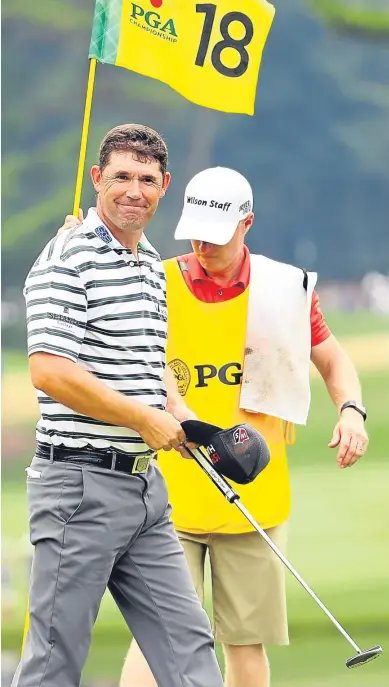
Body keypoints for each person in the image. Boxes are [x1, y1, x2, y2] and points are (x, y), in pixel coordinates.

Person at [61, 166, 369, 687]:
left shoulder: (286, 288)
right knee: (157, 635)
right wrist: (75, 250)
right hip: (164, 493)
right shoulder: (152, 280)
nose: (203, 243)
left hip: (254, 492)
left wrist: (352, 412)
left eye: (217, 234)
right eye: (195, 231)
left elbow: (334, 361)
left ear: (247, 222)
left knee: (245, 643)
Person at [12, 125, 224, 687]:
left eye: (147, 180)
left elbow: (146, 363)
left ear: (165, 186)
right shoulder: (67, 256)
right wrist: (142, 418)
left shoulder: (149, 263)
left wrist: (183, 418)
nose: (135, 190)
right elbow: (50, 370)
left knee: (189, 646)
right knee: (56, 661)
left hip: (144, 491)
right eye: (123, 177)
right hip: (78, 487)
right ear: (97, 178)